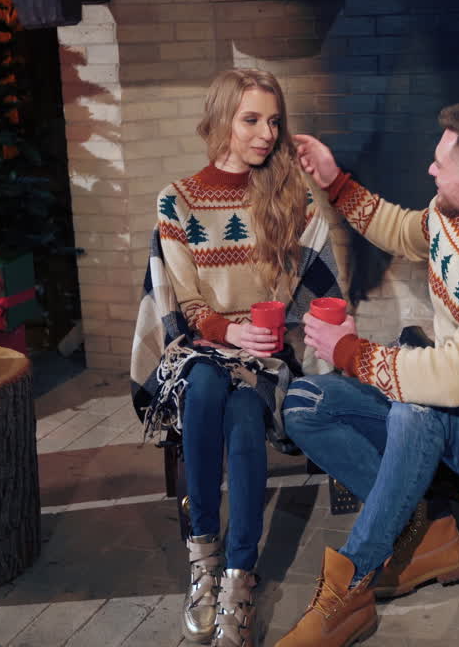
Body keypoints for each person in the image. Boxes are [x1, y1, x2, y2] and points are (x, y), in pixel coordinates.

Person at [275, 102, 459, 647]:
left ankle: (350, 588)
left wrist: (350, 353)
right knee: (303, 402)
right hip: (450, 408)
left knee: (419, 402)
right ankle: (427, 536)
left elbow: (454, 378)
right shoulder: (447, 214)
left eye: (440, 164)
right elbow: (403, 229)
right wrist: (334, 180)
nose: (430, 171)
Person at [130, 68, 343, 647]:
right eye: (252, 119)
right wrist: (229, 333)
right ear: (222, 119)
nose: (266, 133)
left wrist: (278, 334)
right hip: (200, 346)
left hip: (266, 353)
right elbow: (186, 303)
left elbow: (314, 290)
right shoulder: (177, 200)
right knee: (204, 387)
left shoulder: (290, 197)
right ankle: (207, 561)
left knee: (246, 410)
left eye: (273, 121)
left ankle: (236, 577)